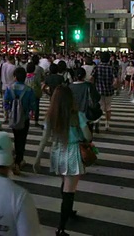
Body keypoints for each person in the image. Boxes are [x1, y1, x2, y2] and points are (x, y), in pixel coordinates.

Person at [33, 86, 92, 236]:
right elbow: (88, 137)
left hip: (57, 152)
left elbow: (44, 139)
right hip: (72, 152)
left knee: (65, 183)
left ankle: (69, 211)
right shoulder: (78, 116)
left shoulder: (50, 116)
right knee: (69, 192)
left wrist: (37, 159)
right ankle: (61, 228)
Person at [3, 67, 37, 175]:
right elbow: (33, 105)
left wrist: (10, 111)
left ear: (15, 77)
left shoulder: (9, 88)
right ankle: (19, 160)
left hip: (14, 118)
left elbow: (5, 102)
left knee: (16, 137)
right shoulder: (29, 90)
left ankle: (17, 159)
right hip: (24, 118)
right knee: (22, 139)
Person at [92, 51, 116, 132]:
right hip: (109, 91)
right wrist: (114, 86)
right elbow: (116, 80)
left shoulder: (96, 67)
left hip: (98, 90)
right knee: (108, 107)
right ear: (109, 59)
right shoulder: (111, 68)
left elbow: (92, 78)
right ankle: (107, 124)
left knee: (98, 107)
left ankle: (97, 121)